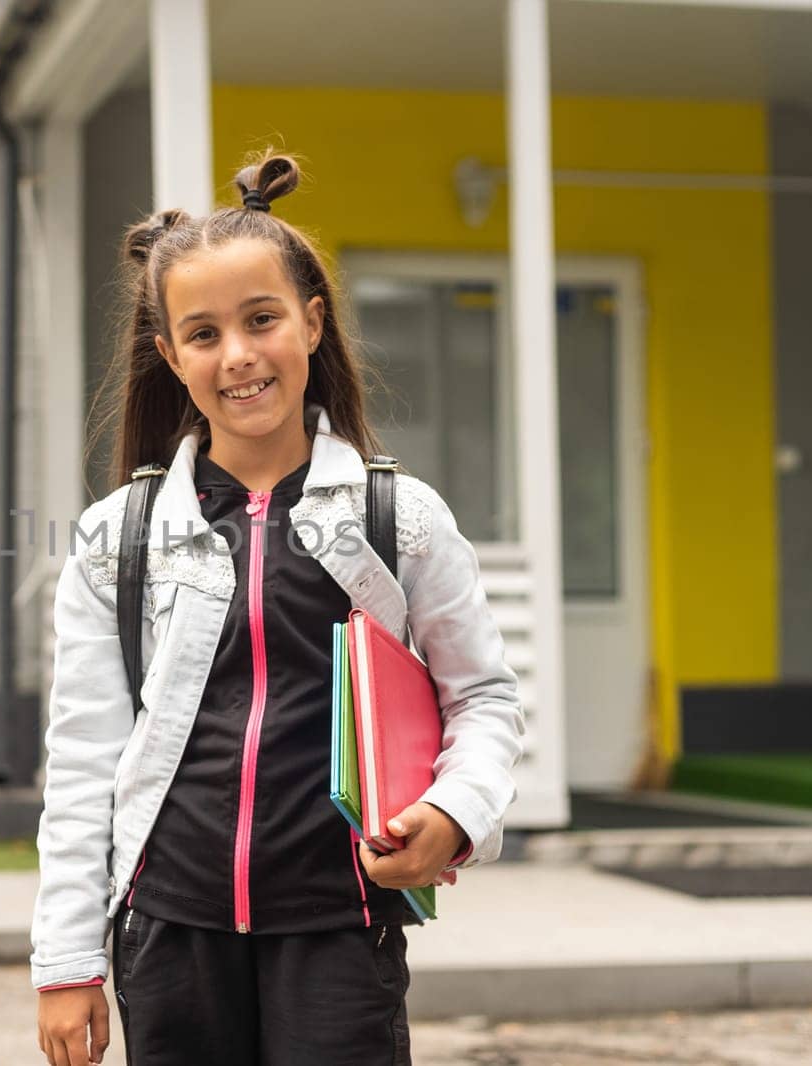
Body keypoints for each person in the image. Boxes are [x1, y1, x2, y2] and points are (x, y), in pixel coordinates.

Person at [31, 152, 525, 1066]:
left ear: (311, 320)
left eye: (261, 320)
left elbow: (485, 701)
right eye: (205, 334)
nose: (240, 356)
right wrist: (66, 963)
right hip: (170, 935)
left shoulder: (398, 519)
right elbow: (83, 762)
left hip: (341, 930)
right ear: (172, 356)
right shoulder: (117, 538)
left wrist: (454, 814)